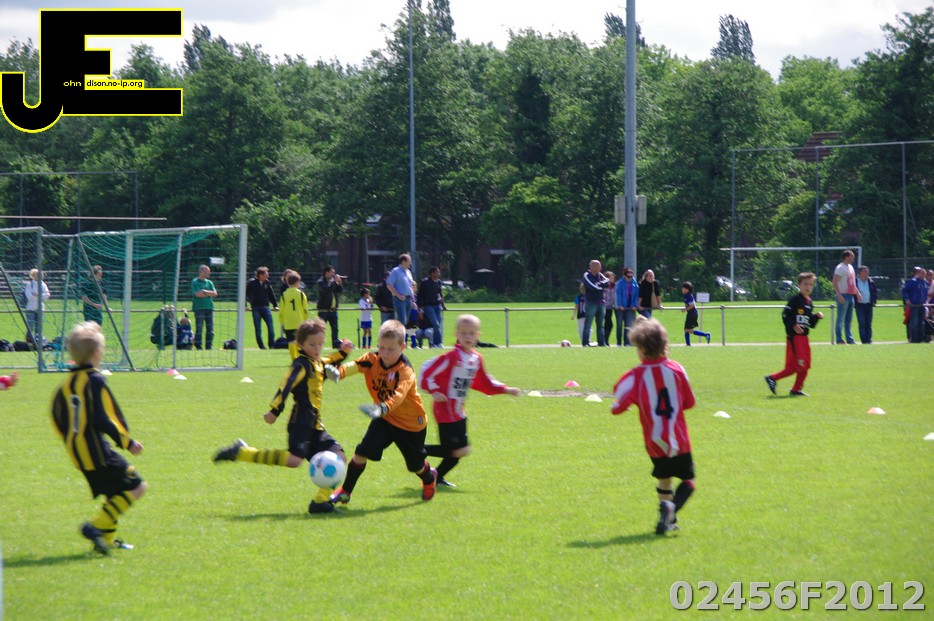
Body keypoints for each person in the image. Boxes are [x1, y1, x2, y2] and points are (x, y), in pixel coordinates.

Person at [213, 319, 354, 514]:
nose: (317, 348)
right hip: (300, 422)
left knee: (339, 457)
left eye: (320, 344)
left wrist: (344, 352)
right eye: (312, 344)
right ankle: (242, 452)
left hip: (316, 425)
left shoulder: (317, 362)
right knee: (295, 461)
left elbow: (329, 361)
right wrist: (274, 411)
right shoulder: (301, 365)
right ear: (300, 345)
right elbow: (286, 385)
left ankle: (320, 502)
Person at [51, 322, 148, 554]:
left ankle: (106, 540)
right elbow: (106, 417)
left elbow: (56, 413)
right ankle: (95, 527)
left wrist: (69, 439)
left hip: (78, 452)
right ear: (97, 353)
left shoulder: (66, 384)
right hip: (97, 450)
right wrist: (127, 442)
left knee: (114, 492)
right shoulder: (96, 381)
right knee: (137, 486)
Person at [327, 320, 438, 506]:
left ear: (402, 347)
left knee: (415, 466)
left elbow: (399, 395)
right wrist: (339, 373)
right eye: (381, 347)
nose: (384, 353)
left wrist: (383, 408)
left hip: (411, 424)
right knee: (361, 452)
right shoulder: (372, 359)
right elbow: (354, 365)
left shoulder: (405, 371)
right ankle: (345, 492)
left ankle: (429, 478)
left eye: (390, 349)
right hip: (385, 419)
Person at [610, 316, 697, 535]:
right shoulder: (677, 369)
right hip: (679, 439)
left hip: (654, 442)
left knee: (664, 480)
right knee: (689, 480)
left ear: (641, 348)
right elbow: (689, 402)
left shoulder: (635, 375)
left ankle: (668, 519)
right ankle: (671, 509)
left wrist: (629, 404)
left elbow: (617, 406)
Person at [419, 314, 520, 487]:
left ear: (478, 335)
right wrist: (434, 391)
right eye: (464, 333)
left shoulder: (476, 358)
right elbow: (427, 373)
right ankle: (416, 450)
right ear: (456, 334)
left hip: (459, 411)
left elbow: (485, 382)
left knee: (459, 452)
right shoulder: (451, 356)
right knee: (458, 449)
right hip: (444, 409)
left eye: (472, 333)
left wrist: (506, 389)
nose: (468, 336)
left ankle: (436, 477)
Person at [765, 272, 824, 397]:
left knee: (806, 365)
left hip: (804, 338)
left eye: (811, 284)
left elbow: (810, 324)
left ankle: (796, 390)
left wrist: (816, 317)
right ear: (799, 285)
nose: (808, 287)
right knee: (797, 365)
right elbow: (785, 315)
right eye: (805, 284)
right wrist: (793, 325)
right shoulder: (795, 300)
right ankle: (772, 378)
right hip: (795, 338)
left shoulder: (809, 302)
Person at [246, 266, 279, 349]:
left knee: (271, 327)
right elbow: (244, 294)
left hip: (266, 307)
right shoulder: (251, 283)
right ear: (260, 275)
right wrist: (245, 305)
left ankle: (271, 345)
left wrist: (275, 305)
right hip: (256, 308)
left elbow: (271, 294)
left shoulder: (267, 282)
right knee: (258, 328)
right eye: (266, 275)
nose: (267, 276)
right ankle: (261, 346)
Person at [832, 249, 860, 344]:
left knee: (849, 320)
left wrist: (857, 293)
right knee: (841, 319)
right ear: (846, 257)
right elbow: (835, 282)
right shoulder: (840, 268)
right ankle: (839, 339)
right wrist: (839, 295)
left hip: (850, 295)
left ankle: (849, 339)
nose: (853, 258)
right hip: (843, 295)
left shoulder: (850, 267)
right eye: (852, 256)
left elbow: (852, 282)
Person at [279, 271, 309, 359]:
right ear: (297, 282)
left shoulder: (284, 295)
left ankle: (294, 359)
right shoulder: (301, 294)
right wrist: (306, 321)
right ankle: (301, 359)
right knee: (300, 341)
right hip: (300, 322)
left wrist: (282, 322)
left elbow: (281, 311)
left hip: (288, 322)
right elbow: (305, 310)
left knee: (291, 341)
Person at [581, 260, 610, 347]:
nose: (600, 268)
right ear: (592, 267)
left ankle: (601, 343)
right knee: (588, 324)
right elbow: (592, 286)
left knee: (600, 324)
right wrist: (601, 286)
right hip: (591, 303)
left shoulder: (600, 275)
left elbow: (607, 282)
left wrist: (600, 284)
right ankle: (585, 343)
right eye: (598, 266)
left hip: (601, 303)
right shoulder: (586, 275)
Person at [417, 266, 446, 348]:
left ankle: (437, 343)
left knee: (438, 325)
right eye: (437, 272)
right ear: (432, 273)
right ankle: (438, 343)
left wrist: (443, 304)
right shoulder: (425, 282)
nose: (439, 273)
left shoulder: (438, 282)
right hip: (428, 306)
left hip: (437, 306)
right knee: (435, 324)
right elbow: (419, 295)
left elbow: (440, 294)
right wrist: (420, 307)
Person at [191, 265, 218, 350]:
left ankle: (209, 346)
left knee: (210, 328)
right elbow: (197, 294)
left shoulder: (209, 282)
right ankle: (198, 346)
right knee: (199, 328)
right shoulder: (195, 282)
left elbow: (215, 294)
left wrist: (205, 292)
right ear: (202, 272)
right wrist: (208, 294)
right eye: (207, 271)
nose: (209, 273)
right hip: (199, 308)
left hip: (209, 308)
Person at [316, 265, 343, 348]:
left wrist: (339, 283)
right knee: (321, 329)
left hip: (333, 311)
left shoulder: (332, 282)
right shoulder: (321, 282)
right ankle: (318, 344)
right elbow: (327, 290)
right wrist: (335, 282)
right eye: (332, 272)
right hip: (324, 311)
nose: (333, 274)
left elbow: (339, 291)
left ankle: (335, 344)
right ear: (326, 272)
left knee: (335, 328)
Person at [386, 253, 417, 324]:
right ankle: (399, 332)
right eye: (409, 261)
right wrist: (398, 296)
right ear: (403, 261)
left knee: (405, 321)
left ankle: (401, 331)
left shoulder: (408, 272)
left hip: (409, 299)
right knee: (401, 321)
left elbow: (410, 286)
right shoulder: (395, 271)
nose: (411, 263)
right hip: (400, 300)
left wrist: (413, 300)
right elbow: (389, 285)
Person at [23, 268, 51, 341]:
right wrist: (40, 296)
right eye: (38, 275)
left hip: (40, 308)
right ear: (33, 276)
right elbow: (29, 296)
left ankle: (37, 340)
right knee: (30, 326)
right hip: (30, 308)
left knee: (39, 326)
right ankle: (29, 340)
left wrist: (37, 295)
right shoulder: (29, 285)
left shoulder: (43, 285)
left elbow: (47, 295)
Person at [902, 266, 928, 344]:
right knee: (914, 322)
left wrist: (926, 301)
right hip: (914, 305)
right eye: (922, 273)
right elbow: (904, 290)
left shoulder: (925, 282)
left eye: (924, 274)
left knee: (921, 323)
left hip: (922, 305)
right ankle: (913, 339)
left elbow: (925, 293)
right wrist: (906, 299)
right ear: (918, 274)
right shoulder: (913, 281)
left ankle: (920, 339)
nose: (923, 275)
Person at [614, 267, 639, 346]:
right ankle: (618, 343)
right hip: (620, 308)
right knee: (619, 325)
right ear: (624, 276)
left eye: (631, 276)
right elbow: (618, 295)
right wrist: (620, 305)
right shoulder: (619, 284)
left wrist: (635, 305)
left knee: (628, 326)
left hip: (630, 308)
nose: (630, 278)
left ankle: (627, 343)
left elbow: (636, 296)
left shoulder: (635, 284)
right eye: (628, 276)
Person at [854, 265, 877, 345]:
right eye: (865, 271)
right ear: (860, 272)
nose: (867, 273)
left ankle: (869, 339)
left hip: (869, 305)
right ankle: (864, 340)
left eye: (868, 271)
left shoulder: (871, 281)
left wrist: (874, 301)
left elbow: (874, 292)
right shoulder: (855, 281)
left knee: (868, 323)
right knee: (862, 323)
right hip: (859, 305)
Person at [602, 271, 616, 346]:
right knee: (608, 324)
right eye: (611, 278)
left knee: (608, 324)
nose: (612, 279)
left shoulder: (614, 286)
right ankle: (604, 340)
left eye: (613, 278)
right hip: (604, 307)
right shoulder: (604, 286)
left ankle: (605, 340)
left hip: (610, 308)